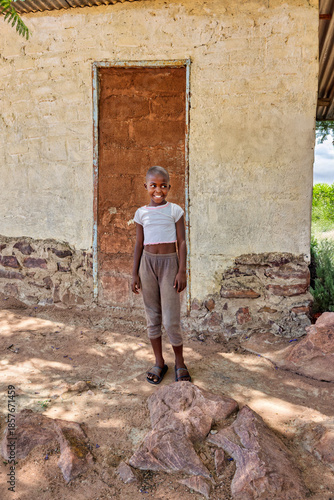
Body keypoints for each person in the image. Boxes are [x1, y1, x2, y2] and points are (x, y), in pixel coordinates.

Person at [131, 166, 191, 384]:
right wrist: (134, 274)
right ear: (146, 186)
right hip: (147, 265)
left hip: (169, 265)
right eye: (154, 185)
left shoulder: (175, 210)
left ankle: (180, 362)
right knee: (152, 315)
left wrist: (182, 270)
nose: (159, 190)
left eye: (163, 185)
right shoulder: (141, 213)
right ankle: (159, 362)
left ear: (169, 187)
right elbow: (138, 244)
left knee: (171, 318)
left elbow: (182, 242)